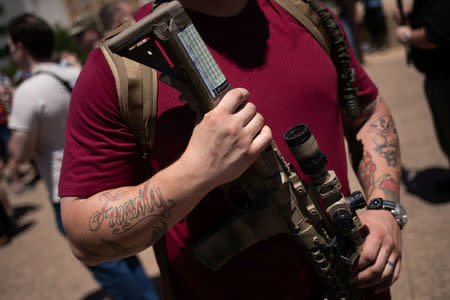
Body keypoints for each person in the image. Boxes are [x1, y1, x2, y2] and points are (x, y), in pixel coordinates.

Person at [59, 1, 403, 299]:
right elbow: (82, 235)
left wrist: (384, 207)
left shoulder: (308, 15)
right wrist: (196, 172)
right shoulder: (115, 69)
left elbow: (368, 112)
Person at [6, 13, 159, 300]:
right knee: (123, 252)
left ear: (21, 47)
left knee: (108, 265)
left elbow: (21, 154)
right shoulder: (77, 72)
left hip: (68, 188)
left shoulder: (28, 92)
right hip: (107, 173)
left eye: (11, 48)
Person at [395, 1, 450, 171]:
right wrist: (411, 14)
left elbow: (434, 36)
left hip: (444, 77)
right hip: (436, 77)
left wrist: (406, 35)